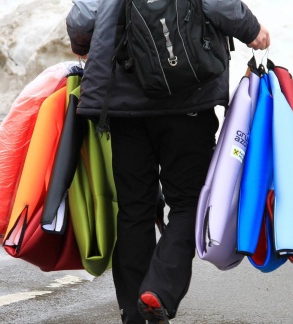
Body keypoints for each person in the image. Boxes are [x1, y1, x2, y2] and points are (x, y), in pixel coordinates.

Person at [66, 1, 269, 323]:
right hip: (189, 101)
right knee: (188, 203)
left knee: (135, 208)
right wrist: (253, 31)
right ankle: (159, 291)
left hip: (125, 106)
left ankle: (133, 312)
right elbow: (219, 5)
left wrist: (83, 45)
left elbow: (83, 19)